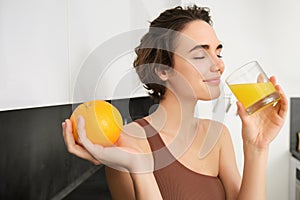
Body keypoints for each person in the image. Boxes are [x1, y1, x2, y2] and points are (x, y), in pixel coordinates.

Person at [62, 5, 288, 200]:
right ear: (162, 70)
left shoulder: (218, 135)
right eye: (200, 55)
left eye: (218, 53)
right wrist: (140, 168)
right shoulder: (128, 141)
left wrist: (257, 147)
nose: (218, 65)